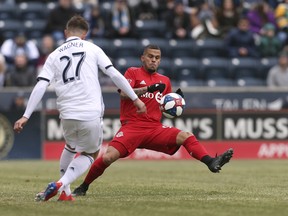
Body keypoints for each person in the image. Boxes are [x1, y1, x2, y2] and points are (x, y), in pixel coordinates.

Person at [13, 15, 146, 202]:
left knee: (70, 146)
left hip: (66, 113)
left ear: (66, 33)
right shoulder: (92, 48)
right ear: (85, 34)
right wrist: (135, 98)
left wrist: (26, 115)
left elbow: (41, 85)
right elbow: (113, 73)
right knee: (91, 153)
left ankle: (65, 193)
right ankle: (60, 184)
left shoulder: (54, 55)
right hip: (90, 112)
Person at [72, 44, 234, 197]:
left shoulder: (165, 80)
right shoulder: (132, 72)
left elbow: (163, 107)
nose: (154, 60)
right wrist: (148, 89)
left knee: (186, 135)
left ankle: (211, 162)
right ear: (143, 58)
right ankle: (83, 186)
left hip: (154, 128)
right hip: (132, 127)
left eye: (157, 57)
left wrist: (175, 102)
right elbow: (123, 94)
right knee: (108, 157)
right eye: (150, 56)